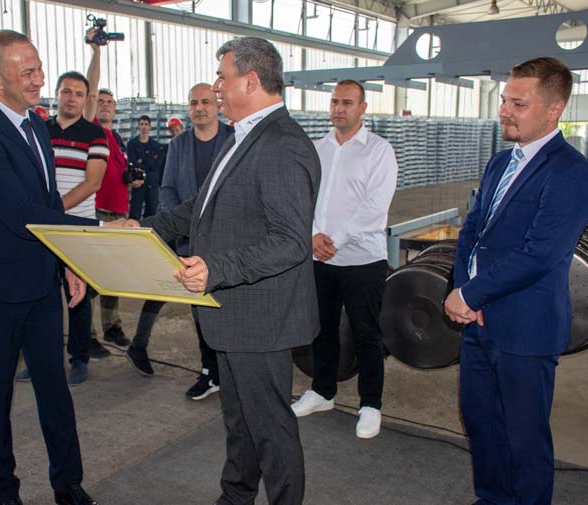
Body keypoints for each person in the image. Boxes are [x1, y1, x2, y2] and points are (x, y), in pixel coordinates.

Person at [133, 37, 320, 505]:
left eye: (222, 77)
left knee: (271, 430)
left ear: (250, 81)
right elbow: (199, 209)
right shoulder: (240, 136)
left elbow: (291, 242)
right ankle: (235, 497)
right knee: (240, 423)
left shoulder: (282, 144)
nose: (215, 87)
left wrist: (216, 268)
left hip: (260, 318)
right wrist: (142, 228)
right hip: (233, 315)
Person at [0, 29, 108, 505]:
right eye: (27, 72)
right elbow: (22, 214)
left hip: (40, 282)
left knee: (54, 389)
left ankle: (68, 483)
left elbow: (47, 201)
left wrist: (68, 261)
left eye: (39, 68)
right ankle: (4, 493)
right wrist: (98, 233)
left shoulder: (36, 125)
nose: (39, 79)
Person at [444, 57, 588, 505]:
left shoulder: (571, 171)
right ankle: (492, 498)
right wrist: (462, 292)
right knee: (482, 424)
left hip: (526, 327)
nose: (504, 111)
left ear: (554, 109)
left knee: (523, 437)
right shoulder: (499, 163)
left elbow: (540, 253)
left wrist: (471, 293)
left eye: (518, 103)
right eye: (505, 100)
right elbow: (472, 233)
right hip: (478, 323)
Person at [290, 80, 397, 440]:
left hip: (363, 259)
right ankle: (323, 391)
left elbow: (375, 206)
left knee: (366, 332)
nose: (339, 108)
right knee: (322, 328)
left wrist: (334, 239)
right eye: (335, 101)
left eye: (347, 102)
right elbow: (303, 197)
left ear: (363, 108)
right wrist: (313, 235)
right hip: (320, 257)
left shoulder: (379, 151)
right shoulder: (317, 149)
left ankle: (371, 403)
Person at [126, 83, 233, 403]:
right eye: (193, 103)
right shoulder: (179, 145)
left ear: (217, 105)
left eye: (206, 101)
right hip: (187, 238)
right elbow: (168, 188)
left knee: (224, 306)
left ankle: (226, 368)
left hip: (226, 239)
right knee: (198, 306)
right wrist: (178, 225)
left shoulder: (234, 140)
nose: (199, 108)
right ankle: (209, 370)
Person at [16, 70, 109, 385]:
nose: (72, 99)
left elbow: (93, 181)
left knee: (77, 297)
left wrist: (54, 210)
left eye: (79, 94)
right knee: (40, 296)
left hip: (76, 227)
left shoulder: (95, 134)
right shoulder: (38, 130)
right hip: (41, 228)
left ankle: (79, 358)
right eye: (66, 92)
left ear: (85, 99)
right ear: (56, 94)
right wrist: (43, 214)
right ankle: (41, 359)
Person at [82, 33, 134, 350]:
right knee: (92, 276)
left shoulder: (116, 138)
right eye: (100, 101)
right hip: (98, 213)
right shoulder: (90, 130)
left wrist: (130, 180)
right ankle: (86, 334)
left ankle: (111, 327)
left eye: (109, 102)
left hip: (119, 211)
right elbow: (89, 92)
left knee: (113, 275)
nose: (104, 105)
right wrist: (97, 53)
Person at [127, 114, 166, 220]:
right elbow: (133, 163)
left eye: (146, 124)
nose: (143, 127)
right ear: (138, 126)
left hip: (152, 183)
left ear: (150, 126)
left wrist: (142, 160)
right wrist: (149, 161)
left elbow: (157, 165)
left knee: (152, 212)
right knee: (135, 212)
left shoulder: (156, 146)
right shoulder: (132, 144)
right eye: (141, 124)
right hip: (138, 182)